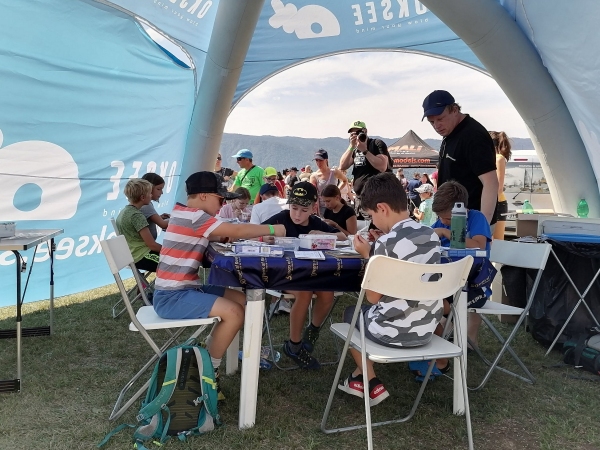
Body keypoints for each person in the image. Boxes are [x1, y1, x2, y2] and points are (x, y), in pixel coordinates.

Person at [152, 172, 285, 400]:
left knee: (243, 301)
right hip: (171, 297)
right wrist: (272, 229)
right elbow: (236, 231)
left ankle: (209, 350)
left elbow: (221, 236)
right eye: (220, 199)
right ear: (204, 196)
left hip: (184, 289)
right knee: (234, 312)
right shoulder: (195, 217)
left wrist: (250, 238)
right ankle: (208, 373)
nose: (222, 204)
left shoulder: (185, 213)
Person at [337, 172, 442, 406]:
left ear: (382, 208)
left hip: (392, 332)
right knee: (364, 314)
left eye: (372, 215)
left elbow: (373, 298)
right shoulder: (431, 235)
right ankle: (357, 378)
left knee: (350, 314)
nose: (373, 221)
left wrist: (369, 256)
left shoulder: (385, 243)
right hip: (426, 329)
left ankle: (371, 380)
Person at [262, 182, 345, 369]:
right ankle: (294, 345)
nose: (297, 214)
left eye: (304, 210)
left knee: (327, 293)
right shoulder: (281, 218)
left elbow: (342, 236)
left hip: (312, 273)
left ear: (313, 208)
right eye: (294, 208)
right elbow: (253, 232)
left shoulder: (315, 222)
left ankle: (313, 330)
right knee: (304, 293)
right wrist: (264, 236)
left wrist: (323, 234)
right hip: (283, 273)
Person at [431, 181, 492, 350]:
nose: (443, 221)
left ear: (462, 209)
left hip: (474, 284)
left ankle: (467, 337)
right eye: (440, 217)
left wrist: (446, 233)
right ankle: (446, 327)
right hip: (448, 281)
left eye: (447, 218)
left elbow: (479, 245)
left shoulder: (476, 218)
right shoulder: (441, 222)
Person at [422, 90, 498, 225]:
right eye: (431, 122)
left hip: (470, 221)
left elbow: (491, 182)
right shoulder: (450, 133)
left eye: (440, 119)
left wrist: (483, 225)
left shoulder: (473, 135)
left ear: (455, 110)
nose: (436, 126)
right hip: (451, 219)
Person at [339, 120, 393, 219]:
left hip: (375, 198)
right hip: (359, 199)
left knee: (373, 227)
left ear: (365, 131)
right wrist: (351, 146)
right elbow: (342, 166)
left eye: (358, 132)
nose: (356, 135)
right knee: (360, 226)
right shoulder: (355, 149)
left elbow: (382, 167)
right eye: (352, 133)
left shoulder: (376, 143)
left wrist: (364, 150)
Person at [115, 178, 162, 272]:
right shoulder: (136, 216)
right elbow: (152, 245)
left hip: (133, 256)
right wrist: (171, 251)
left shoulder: (124, 212)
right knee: (176, 263)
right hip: (142, 256)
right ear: (143, 197)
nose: (151, 195)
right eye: (149, 193)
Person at [310, 149, 348, 216]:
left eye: (320, 160)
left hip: (336, 206)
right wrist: (317, 212)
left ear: (326, 160)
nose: (318, 163)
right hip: (322, 208)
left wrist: (337, 190)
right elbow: (314, 195)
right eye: (316, 160)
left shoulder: (334, 172)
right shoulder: (314, 176)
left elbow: (344, 180)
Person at [489, 131, 512, 240]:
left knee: (497, 241)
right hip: (493, 202)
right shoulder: (491, 158)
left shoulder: (499, 158)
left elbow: (499, 186)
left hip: (497, 203)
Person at [140, 173, 170, 240]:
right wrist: (177, 219)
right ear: (148, 189)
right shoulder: (146, 206)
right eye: (159, 189)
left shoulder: (147, 204)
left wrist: (159, 218)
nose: (162, 192)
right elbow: (163, 225)